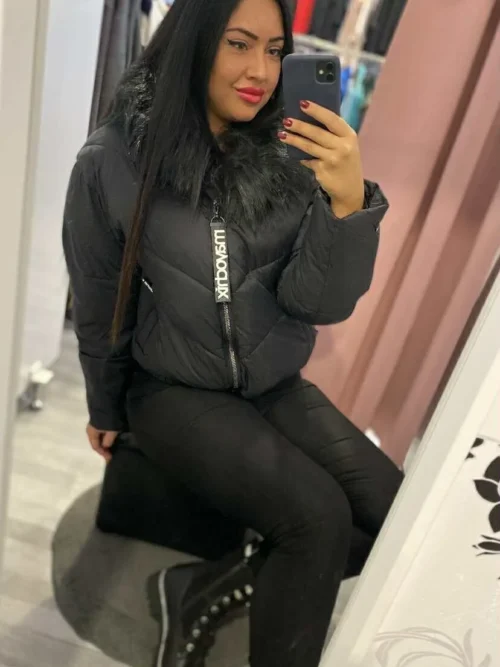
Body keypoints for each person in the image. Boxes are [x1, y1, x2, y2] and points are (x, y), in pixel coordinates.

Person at [63, 0, 404, 665]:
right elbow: (102, 300)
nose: (261, 72)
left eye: (274, 50)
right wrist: (106, 406)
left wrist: (346, 205)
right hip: (172, 390)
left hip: (273, 383)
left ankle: (207, 587)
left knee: (395, 513)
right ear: (193, 42)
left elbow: (315, 302)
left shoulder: (291, 152)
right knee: (316, 518)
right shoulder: (113, 159)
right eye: (239, 44)